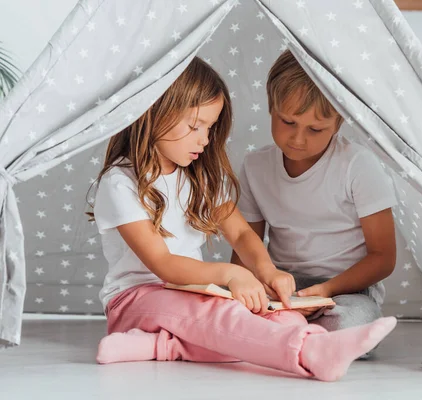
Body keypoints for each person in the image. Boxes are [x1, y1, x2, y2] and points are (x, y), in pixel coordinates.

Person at [90, 56, 396, 382]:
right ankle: (309, 353)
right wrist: (232, 274)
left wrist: (267, 272)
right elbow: (162, 264)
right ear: (153, 113)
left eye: (210, 128)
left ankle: (164, 347)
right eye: (195, 127)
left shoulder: (200, 177)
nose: (205, 140)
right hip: (137, 301)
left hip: (193, 295)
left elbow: (242, 235)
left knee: (276, 321)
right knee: (226, 322)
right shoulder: (122, 182)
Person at [231, 51, 397, 353]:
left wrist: (325, 290)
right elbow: (245, 246)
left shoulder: (357, 165)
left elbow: (383, 257)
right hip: (281, 283)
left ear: (339, 121)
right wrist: (253, 289)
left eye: (315, 129)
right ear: (271, 108)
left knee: (351, 322)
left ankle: (287, 334)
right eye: (288, 121)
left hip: (345, 289)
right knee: (230, 313)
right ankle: (294, 333)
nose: (298, 138)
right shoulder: (255, 166)